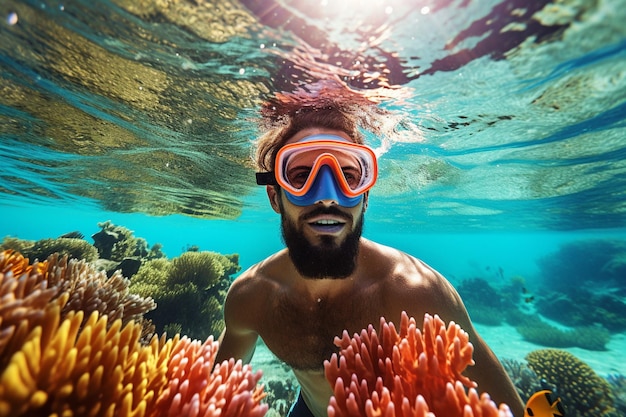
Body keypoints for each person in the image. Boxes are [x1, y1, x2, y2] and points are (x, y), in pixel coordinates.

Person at [215, 105, 525, 417]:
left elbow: (508, 409)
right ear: (274, 196)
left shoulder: (419, 294)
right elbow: (213, 394)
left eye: (348, 176)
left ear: (365, 196)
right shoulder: (251, 298)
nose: (326, 197)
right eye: (300, 176)